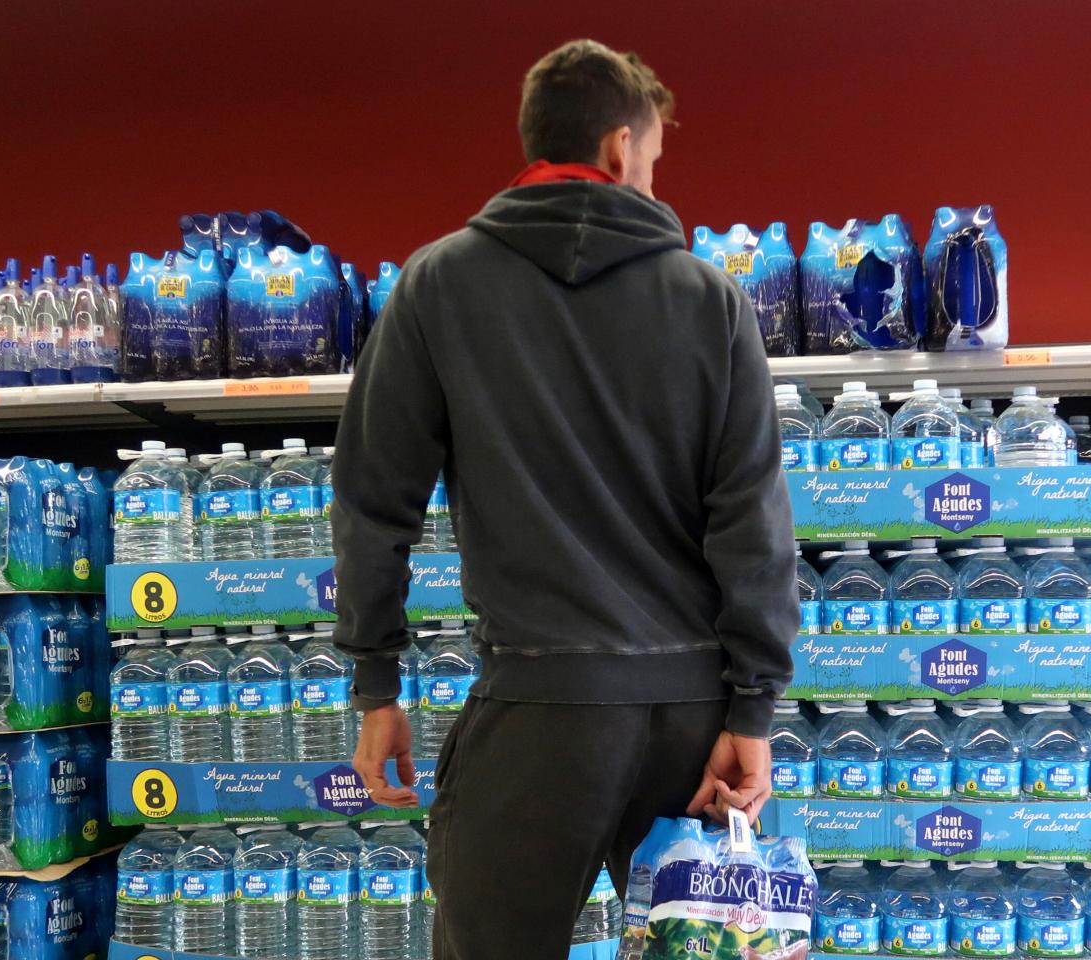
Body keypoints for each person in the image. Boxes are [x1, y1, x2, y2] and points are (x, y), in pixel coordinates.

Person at [331, 38, 797, 960]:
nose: (657, 183)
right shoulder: (710, 300)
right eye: (657, 160)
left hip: (533, 716)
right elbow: (751, 517)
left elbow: (372, 502)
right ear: (621, 149)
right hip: (690, 724)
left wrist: (377, 683)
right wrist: (752, 709)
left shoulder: (437, 285)